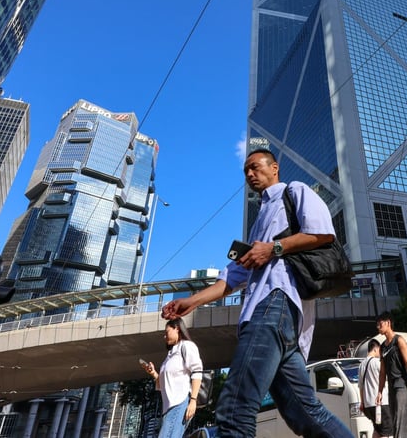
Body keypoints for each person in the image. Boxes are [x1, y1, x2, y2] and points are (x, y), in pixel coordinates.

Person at [160, 149, 354, 438]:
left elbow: (324, 233)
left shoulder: (294, 191)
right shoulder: (257, 222)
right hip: (272, 319)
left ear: (274, 167)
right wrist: (192, 301)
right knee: (304, 414)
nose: (249, 174)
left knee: (235, 407)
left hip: (275, 304)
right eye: (245, 171)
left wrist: (273, 248)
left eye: (255, 167)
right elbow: (234, 275)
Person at [140, 319, 203, 438]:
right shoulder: (170, 355)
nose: (164, 336)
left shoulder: (186, 346)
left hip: (180, 403)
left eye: (167, 331)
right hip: (169, 407)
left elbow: (197, 371)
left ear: (177, 328)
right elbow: (165, 383)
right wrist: (154, 373)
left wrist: (193, 400)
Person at [376, 312, 407, 438]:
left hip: (403, 386)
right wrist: (380, 391)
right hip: (392, 388)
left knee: (399, 423)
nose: (378, 327)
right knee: (398, 423)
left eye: (380, 323)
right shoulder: (382, 347)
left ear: (388, 323)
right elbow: (382, 372)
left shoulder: (399, 341)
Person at [360, 339, 394, 438]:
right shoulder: (377, 362)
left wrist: (362, 403)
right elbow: (387, 378)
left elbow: (361, 387)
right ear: (376, 349)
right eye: (380, 350)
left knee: (378, 430)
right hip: (381, 404)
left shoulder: (361, 365)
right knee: (386, 432)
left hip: (368, 405)